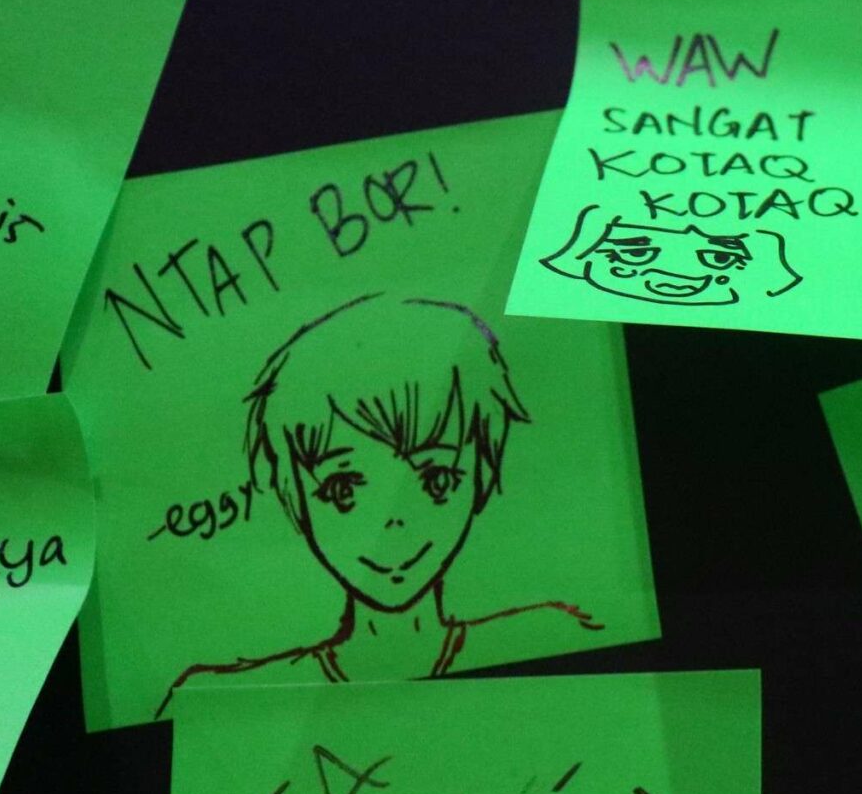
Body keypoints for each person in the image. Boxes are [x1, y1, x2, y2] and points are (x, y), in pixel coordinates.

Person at [159, 292, 597, 710]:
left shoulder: (557, 639)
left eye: (436, 481)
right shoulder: (229, 699)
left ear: (481, 474)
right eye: (342, 490)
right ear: (296, 496)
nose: (392, 522)